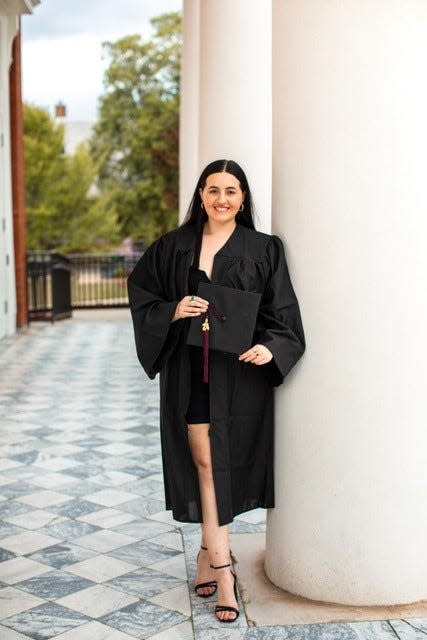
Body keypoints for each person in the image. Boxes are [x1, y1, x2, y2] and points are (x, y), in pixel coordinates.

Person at [127, 159, 305, 623]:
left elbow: (281, 310)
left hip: (238, 375)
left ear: (243, 197)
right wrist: (172, 309)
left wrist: (273, 347)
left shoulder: (265, 249)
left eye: (231, 190)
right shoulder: (174, 246)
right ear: (200, 195)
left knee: (219, 462)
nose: (221, 199)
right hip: (190, 372)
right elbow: (142, 292)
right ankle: (225, 571)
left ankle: (208, 553)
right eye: (213, 190)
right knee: (204, 461)